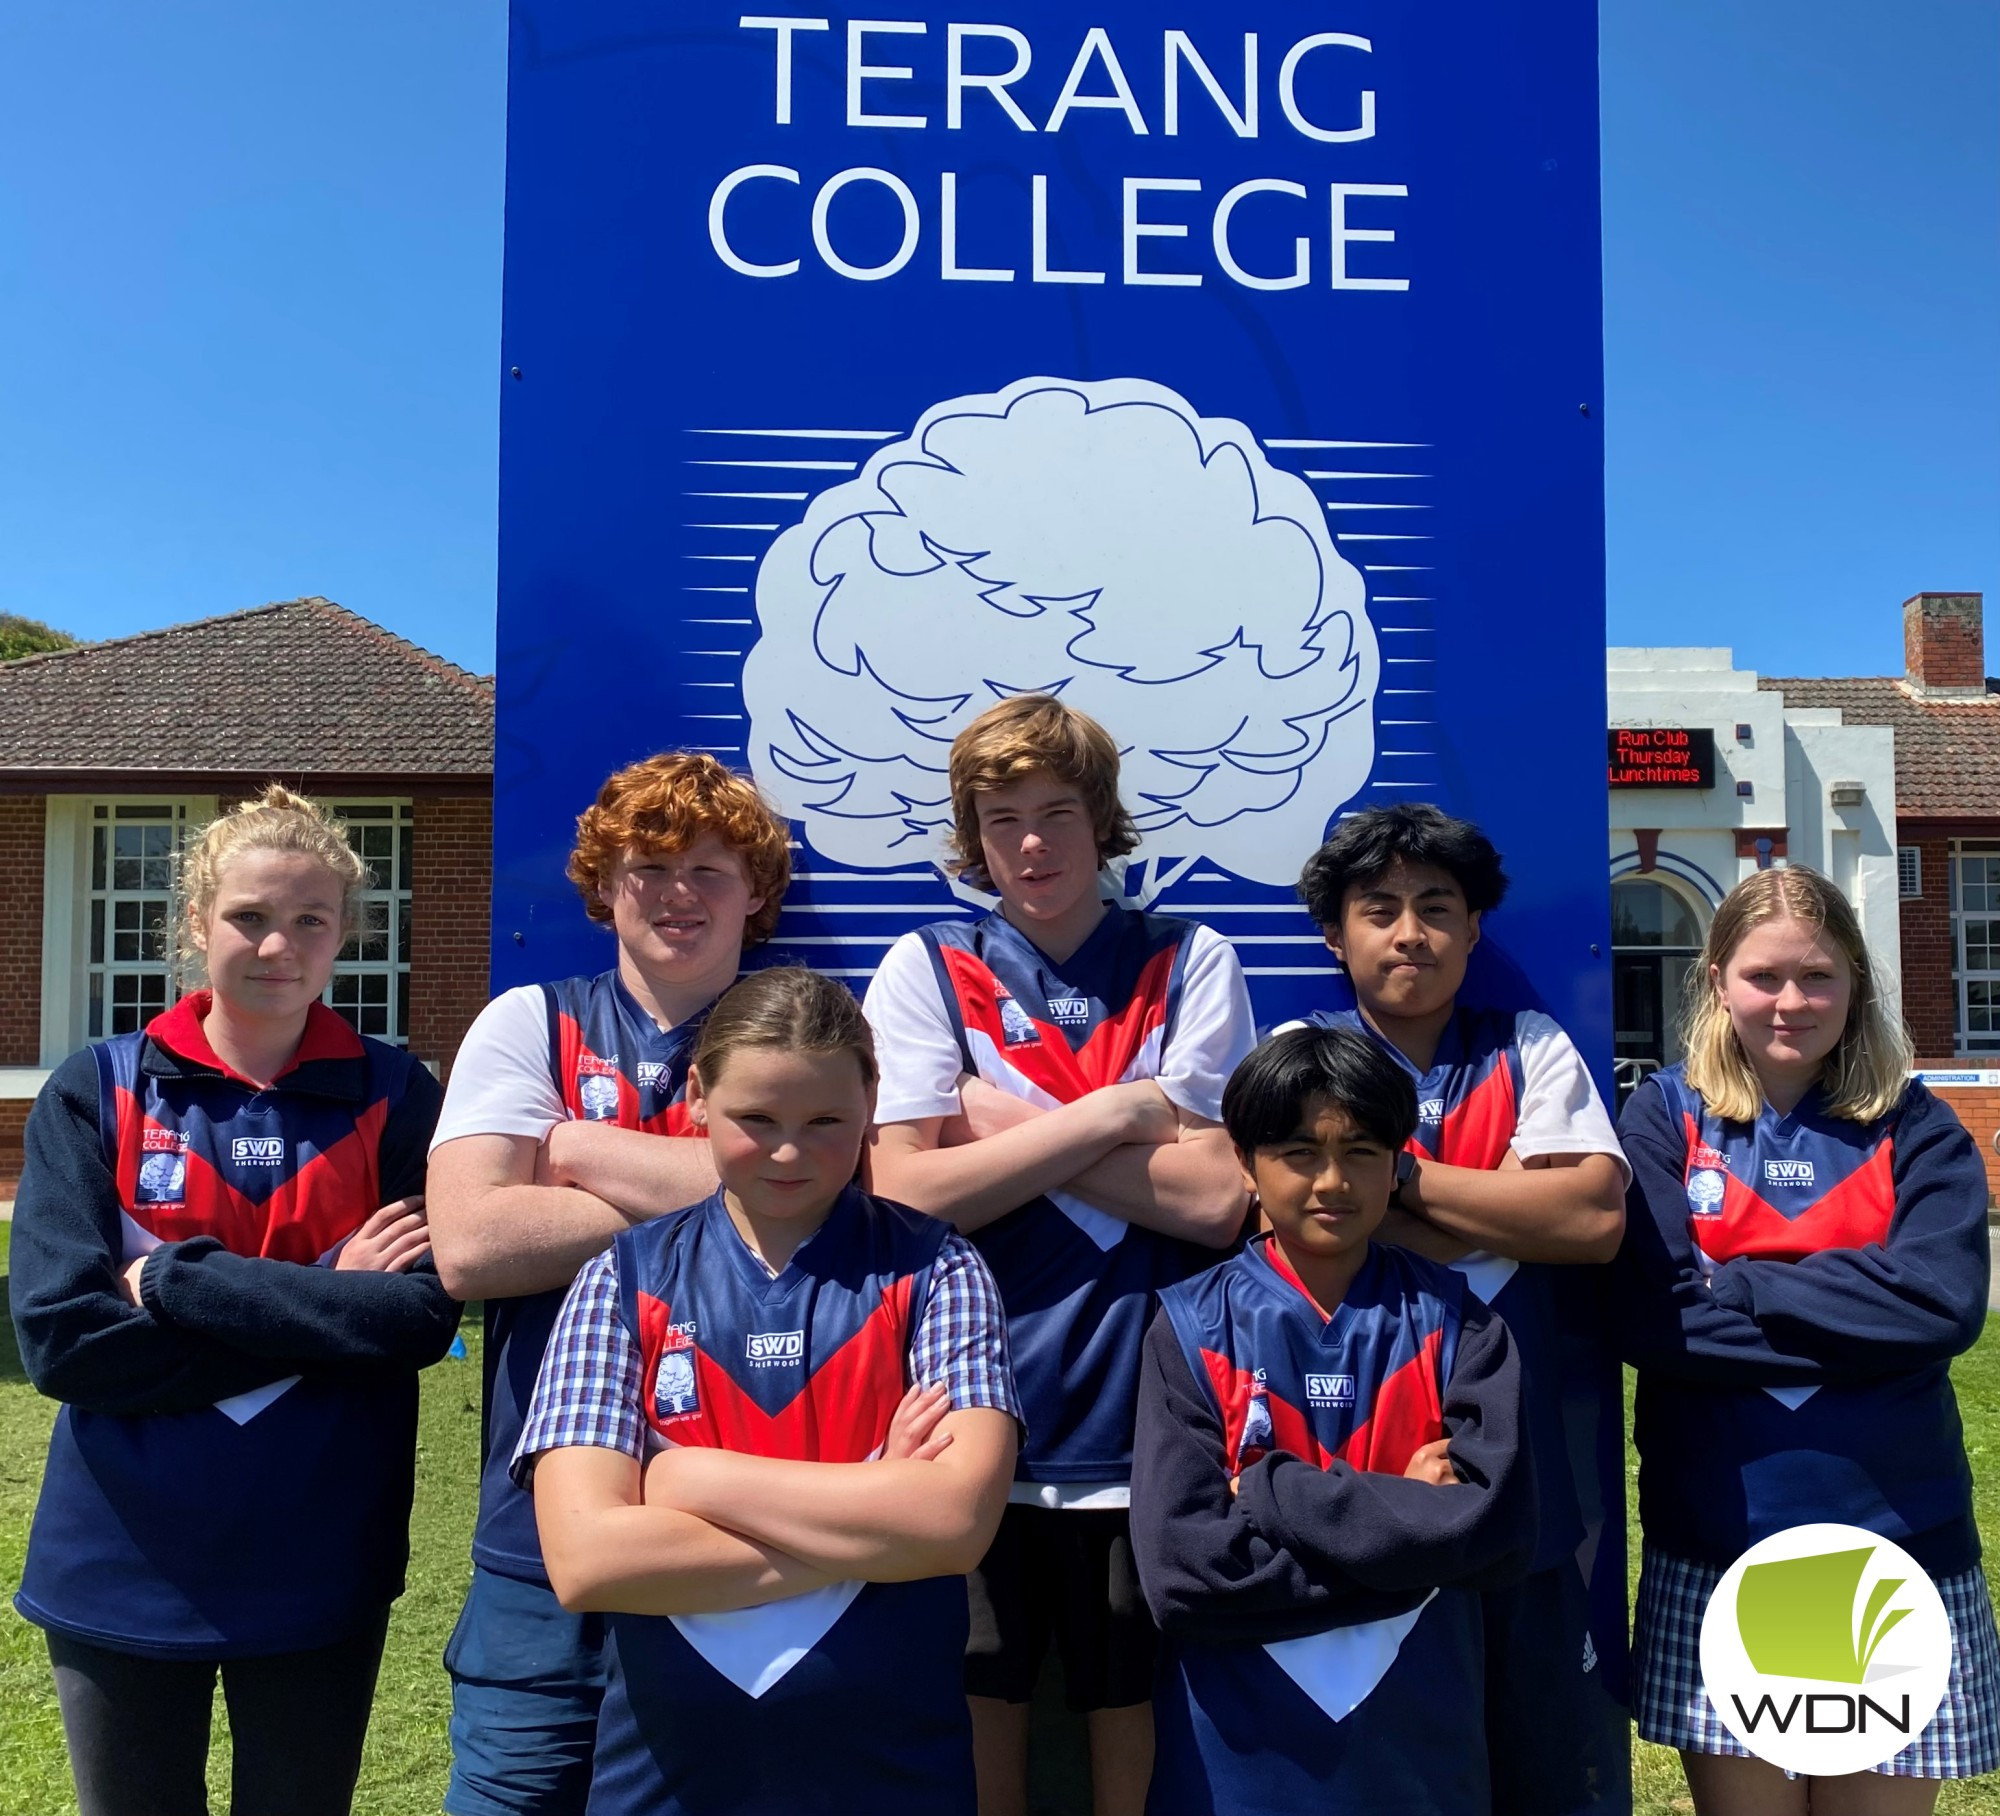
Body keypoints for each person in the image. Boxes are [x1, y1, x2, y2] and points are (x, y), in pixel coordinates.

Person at [9, 785, 460, 1816]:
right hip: (117, 1551)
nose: (278, 946)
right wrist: (327, 1306)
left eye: (310, 920)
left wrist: (176, 1282)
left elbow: (418, 1319)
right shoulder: (99, 1087)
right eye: (249, 916)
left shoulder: (395, 1093)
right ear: (196, 923)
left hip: (320, 1550)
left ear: (345, 933)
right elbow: (64, 1343)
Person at [863, 693, 1256, 1816]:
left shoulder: (1188, 957)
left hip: (1147, 1409)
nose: (1030, 844)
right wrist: (1113, 1114)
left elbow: (1216, 1197)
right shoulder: (928, 966)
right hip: (969, 1403)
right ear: (971, 837)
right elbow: (905, 1189)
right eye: (999, 820)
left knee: (1122, 1689)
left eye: (1057, 813)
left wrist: (992, 1118)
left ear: (1103, 821)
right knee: (984, 1688)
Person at [515, 966, 1022, 1814]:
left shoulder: (940, 1269)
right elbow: (589, 1560)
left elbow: (953, 1526)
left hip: (891, 1771)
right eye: (757, 1119)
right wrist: (873, 1510)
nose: (790, 1151)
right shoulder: (618, 1277)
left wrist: (688, 1481)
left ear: (872, 1103)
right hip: (667, 1778)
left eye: (825, 1121)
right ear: (698, 1102)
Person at [426, 752, 794, 1816]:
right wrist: (730, 1195)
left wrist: (579, 1146)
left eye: (712, 869)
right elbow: (471, 1247)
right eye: (650, 866)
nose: (679, 892)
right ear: (602, 883)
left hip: (744, 1529)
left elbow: (827, 1214)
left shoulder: (805, 1030)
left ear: (757, 892)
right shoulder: (527, 1022)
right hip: (536, 1538)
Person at [1617, 865, 1999, 1812]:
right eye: (1764, 976)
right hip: (1716, 1538)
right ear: (1716, 980)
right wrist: (1869, 1319)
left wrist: (1737, 1282)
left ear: (1857, 984)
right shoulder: (1661, 1117)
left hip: (1897, 1542)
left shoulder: (1920, 1127)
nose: (1792, 1002)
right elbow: (1653, 1323)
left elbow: (1943, 1309)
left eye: (1819, 976)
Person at [1285, 803, 1629, 1814]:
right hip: (1357, 1452)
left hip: (1517, 1472)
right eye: (1378, 908)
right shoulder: (1304, 1050)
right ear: (1333, 933)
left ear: (1474, 928)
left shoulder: (1524, 1041)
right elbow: (1289, 1222)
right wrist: (1501, 1199)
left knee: (1532, 1761)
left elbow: (1590, 1218)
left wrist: (1391, 1185)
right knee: (1382, 1762)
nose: (1408, 932)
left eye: (1436, 907)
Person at [1130, 1025, 1537, 1814]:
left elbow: (1496, 1538)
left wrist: (1277, 1493)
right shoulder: (1186, 1327)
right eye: (1297, 1154)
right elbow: (1185, 1577)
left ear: (1396, 1164)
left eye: (1359, 1151)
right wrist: (1409, 1525)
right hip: (1240, 1754)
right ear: (1245, 1166)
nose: (1331, 1181)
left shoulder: (1462, 1324)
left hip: (1420, 1741)